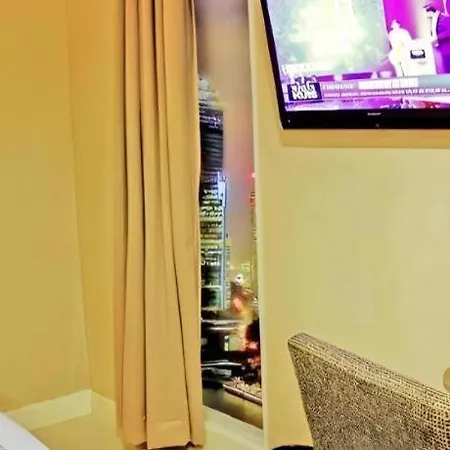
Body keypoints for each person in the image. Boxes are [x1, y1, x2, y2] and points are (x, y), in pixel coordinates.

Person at [424, 5, 450, 71]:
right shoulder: (433, 20)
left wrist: (437, 39)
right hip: (440, 49)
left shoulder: (444, 18)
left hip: (447, 49)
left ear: (430, 12)